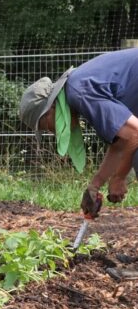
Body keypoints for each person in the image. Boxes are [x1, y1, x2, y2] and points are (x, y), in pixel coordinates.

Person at [20, 48, 138, 217]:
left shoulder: (79, 93)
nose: (53, 132)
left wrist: (119, 178)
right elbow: (121, 143)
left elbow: (135, 134)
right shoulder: (77, 89)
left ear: (51, 109)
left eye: (46, 126)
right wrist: (95, 185)